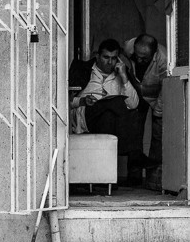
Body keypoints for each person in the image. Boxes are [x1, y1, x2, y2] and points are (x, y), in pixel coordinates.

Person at [71, 39, 152, 185]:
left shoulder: (120, 74)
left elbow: (134, 104)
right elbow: (64, 101)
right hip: (87, 115)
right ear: (97, 56)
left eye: (114, 58)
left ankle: (106, 181)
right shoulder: (83, 69)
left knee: (112, 113)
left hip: (108, 121)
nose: (110, 62)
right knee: (117, 104)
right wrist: (82, 101)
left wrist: (124, 77)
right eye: (106, 57)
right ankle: (135, 154)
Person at [121, 34, 167, 164]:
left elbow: (165, 88)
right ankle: (135, 170)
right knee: (134, 133)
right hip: (138, 93)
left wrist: (158, 111)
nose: (140, 60)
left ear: (154, 53)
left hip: (157, 97)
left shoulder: (164, 59)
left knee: (157, 134)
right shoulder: (128, 47)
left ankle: (154, 171)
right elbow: (121, 57)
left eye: (144, 58)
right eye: (137, 56)